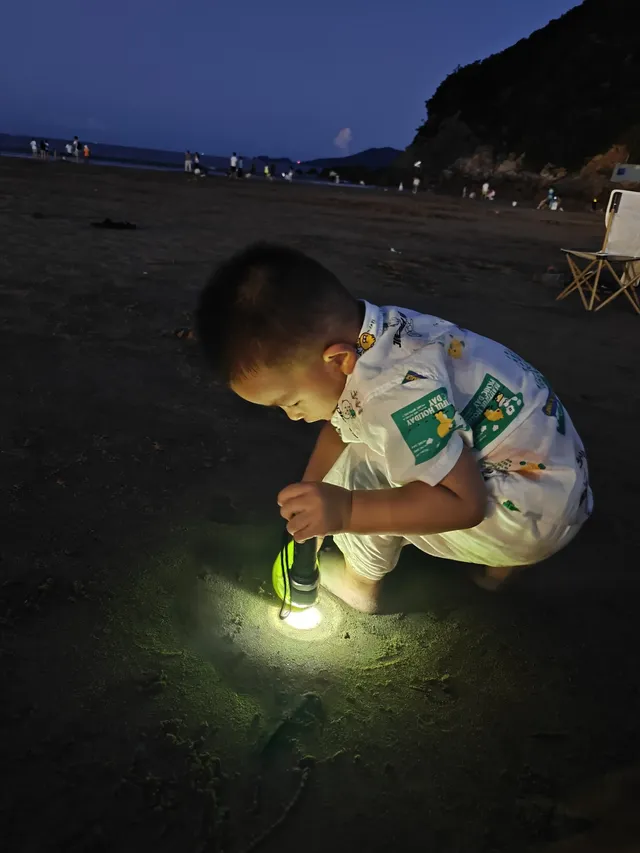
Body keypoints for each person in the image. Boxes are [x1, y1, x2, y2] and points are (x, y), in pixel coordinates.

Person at [196, 244, 593, 613]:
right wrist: (312, 491)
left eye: (291, 402)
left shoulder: (393, 394)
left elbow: (465, 505)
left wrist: (342, 509)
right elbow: (342, 422)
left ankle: (359, 585)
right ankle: (498, 572)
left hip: (524, 517)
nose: (291, 415)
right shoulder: (385, 333)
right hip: (558, 481)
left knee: (357, 479)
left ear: (337, 361)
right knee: (367, 456)